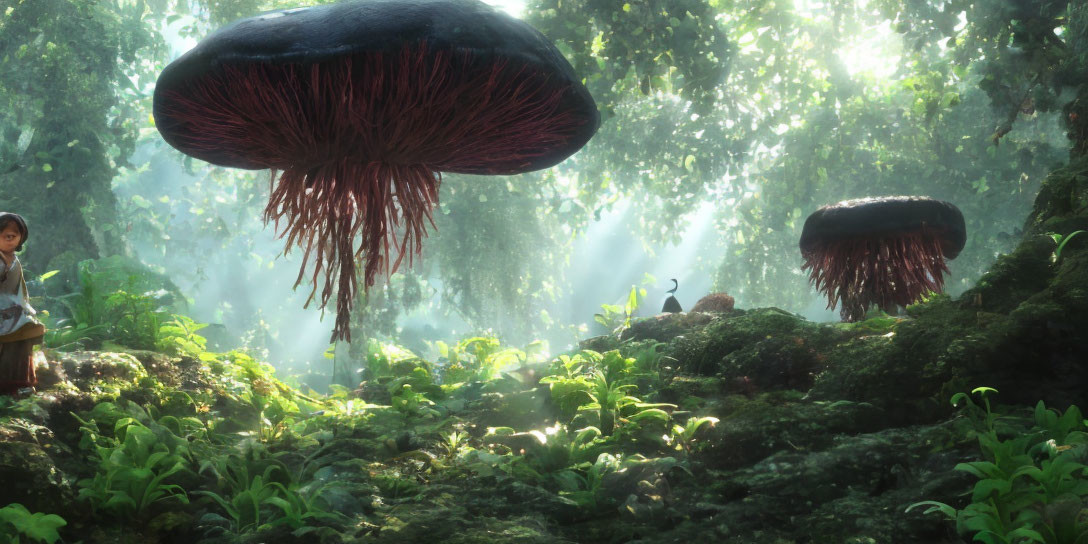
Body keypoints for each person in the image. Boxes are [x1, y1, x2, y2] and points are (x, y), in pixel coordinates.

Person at [0, 213, 45, 397]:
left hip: (16, 311)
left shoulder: (14, 260)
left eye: (13, 236)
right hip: (3, 313)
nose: (9, 240)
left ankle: (19, 382)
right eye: (5, 236)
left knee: (22, 343)